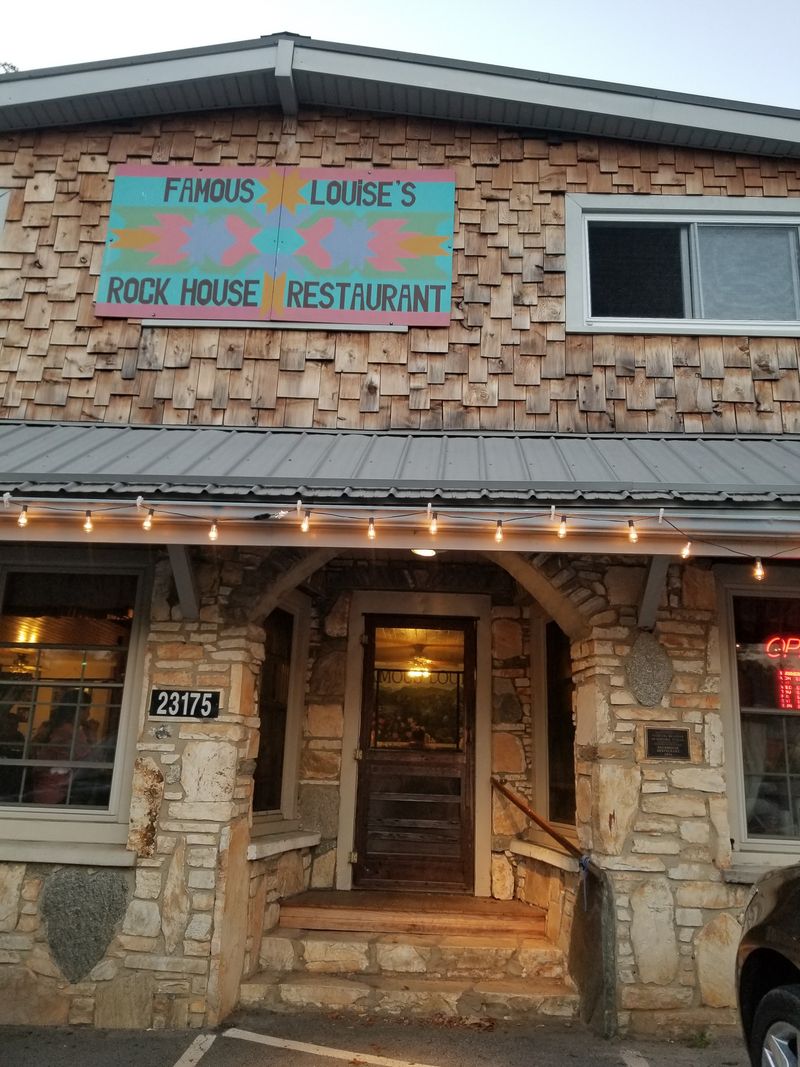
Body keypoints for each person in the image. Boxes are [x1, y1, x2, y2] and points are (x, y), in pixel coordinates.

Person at [30, 702, 92, 805]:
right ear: (78, 711)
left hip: (44, 785)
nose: (89, 714)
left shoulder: (56, 730)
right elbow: (89, 758)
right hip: (56, 787)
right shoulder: (70, 732)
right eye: (87, 710)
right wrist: (92, 734)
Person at [0, 708, 25, 803]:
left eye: (16, 725)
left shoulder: (19, 737)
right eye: (9, 724)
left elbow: (22, 753)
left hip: (13, 775)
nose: (13, 727)